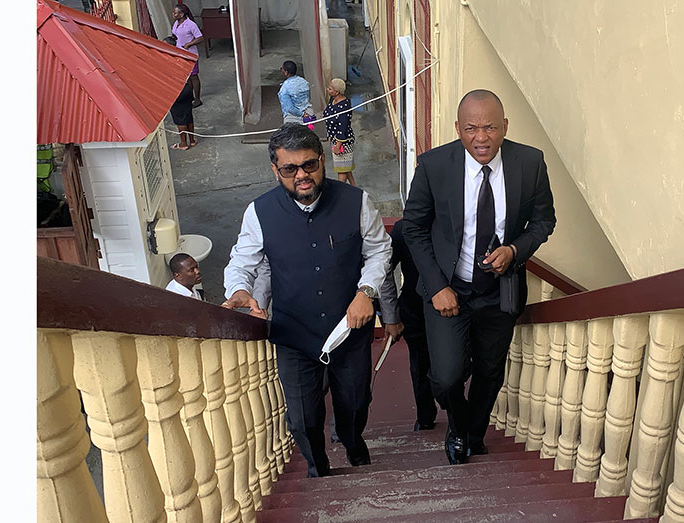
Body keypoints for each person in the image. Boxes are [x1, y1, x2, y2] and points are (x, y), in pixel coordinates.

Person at [222, 123, 392, 477]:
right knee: (301, 418)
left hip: (349, 328)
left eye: (310, 165)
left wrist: (366, 292)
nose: (302, 175)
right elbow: (243, 261)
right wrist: (239, 289)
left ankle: (351, 440)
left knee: (357, 402)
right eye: (290, 169)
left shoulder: (356, 202)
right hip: (294, 333)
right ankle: (319, 467)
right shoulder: (259, 212)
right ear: (275, 170)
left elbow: (379, 250)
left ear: (323, 160)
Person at [401, 89, 556, 465]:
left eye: (490, 127)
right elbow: (413, 228)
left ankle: (472, 434)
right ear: (458, 128)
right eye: (471, 128)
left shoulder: (529, 162)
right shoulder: (434, 166)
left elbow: (543, 221)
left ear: (505, 127)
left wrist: (515, 251)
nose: (481, 137)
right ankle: (458, 424)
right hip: (447, 290)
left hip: (498, 291)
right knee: (447, 377)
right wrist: (437, 286)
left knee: (489, 372)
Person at [379, 219, 438, 431]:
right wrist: (391, 315)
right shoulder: (403, 230)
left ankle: (449, 409)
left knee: (453, 366)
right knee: (421, 363)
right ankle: (425, 416)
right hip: (414, 309)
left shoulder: (456, 222)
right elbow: (385, 268)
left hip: (452, 308)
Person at [323, 78, 356, 185]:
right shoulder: (332, 100)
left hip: (343, 143)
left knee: (341, 170)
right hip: (335, 139)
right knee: (345, 166)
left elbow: (343, 128)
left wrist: (338, 145)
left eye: (330, 88)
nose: (328, 90)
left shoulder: (343, 107)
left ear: (337, 92)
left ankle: (340, 190)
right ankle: (353, 186)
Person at [172, 3, 204, 107]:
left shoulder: (191, 25)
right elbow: (175, 34)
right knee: (187, 77)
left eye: (175, 12)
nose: (173, 14)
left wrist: (189, 44)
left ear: (181, 14)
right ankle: (191, 97)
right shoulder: (176, 23)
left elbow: (200, 37)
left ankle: (198, 99)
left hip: (190, 54)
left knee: (194, 76)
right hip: (180, 53)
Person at [168, 75, 197, 150]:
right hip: (186, 87)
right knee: (188, 115)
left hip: (176, 90)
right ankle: (192, 140)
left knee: (180, 118)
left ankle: (183, 143)